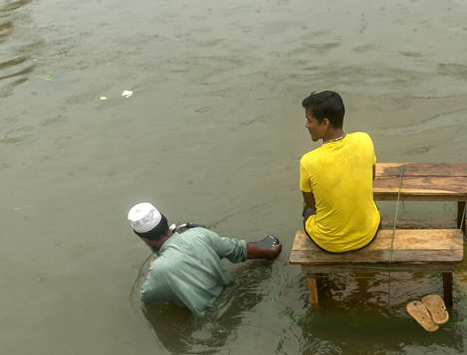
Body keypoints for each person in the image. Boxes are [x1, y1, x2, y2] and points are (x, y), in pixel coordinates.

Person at [128, 202, 281, 315]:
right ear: (165, 219)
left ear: (144, 239)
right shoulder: (199, 234)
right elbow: (239, 249)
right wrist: (271, 253)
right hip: (236, 298)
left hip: (209, 320)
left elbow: (147, 298)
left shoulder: (158, 268)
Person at [299, 91, 381, 252]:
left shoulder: (308, 161)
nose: (306, 125)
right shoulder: (364, 139)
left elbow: (311, 204)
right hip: (368, 234)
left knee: (306, 208)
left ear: (325, 123)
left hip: (331, 243)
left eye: (309, 120)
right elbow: (371, 176)